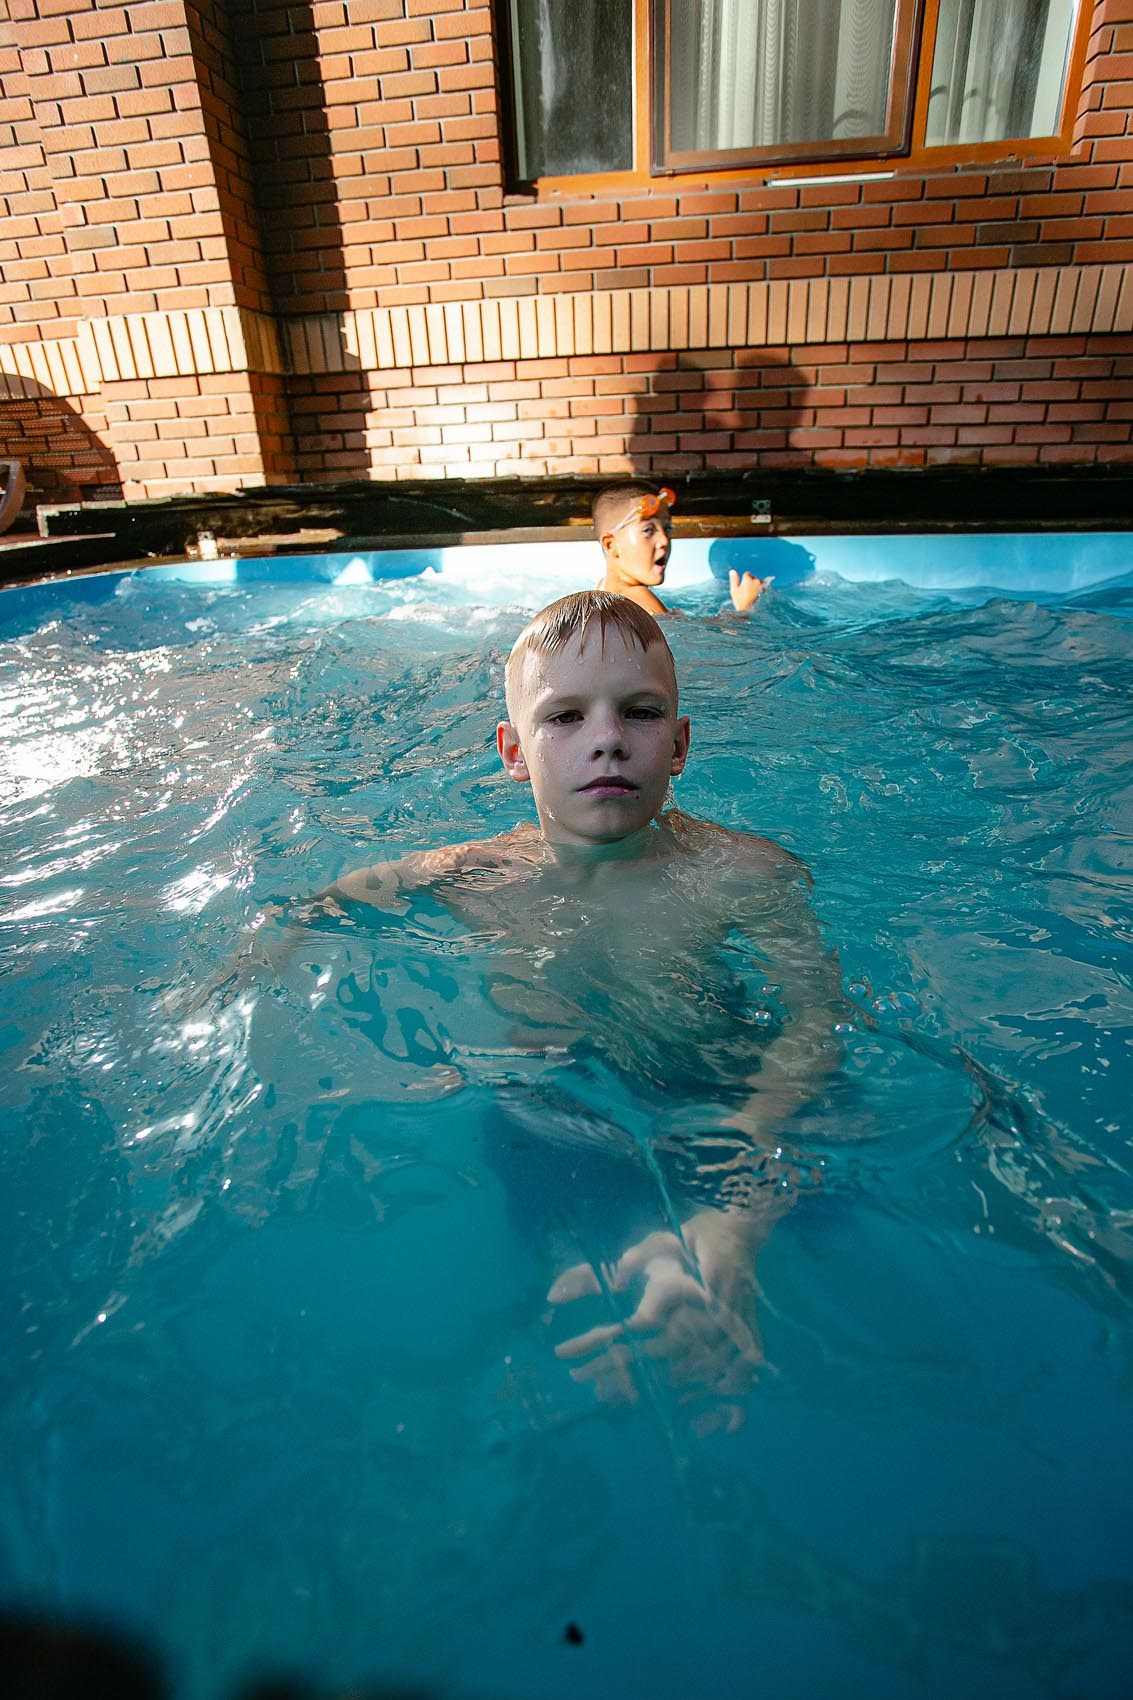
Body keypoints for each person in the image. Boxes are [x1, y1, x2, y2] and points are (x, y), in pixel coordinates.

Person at [306, 592, 844, 1430]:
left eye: (640, 712)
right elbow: (329, 904)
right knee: (544, 1163)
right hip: (559, 1099)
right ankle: (636, 1299)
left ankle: (712, 1266)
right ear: (512, 751)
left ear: (680, 744)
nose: (607, 739)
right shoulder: (472, 875)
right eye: (565, 716)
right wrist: (253, 962)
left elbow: (818, 1021)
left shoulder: (744, 873)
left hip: (721, 1084)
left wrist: (750, 1141)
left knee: (806, 1163)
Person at [593, 482, 771, 615]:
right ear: (611, 544)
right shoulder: (640, 600)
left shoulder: (602, 590)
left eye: (668, 529)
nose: (664, 540)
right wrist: (745, 609)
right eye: (648, 530)